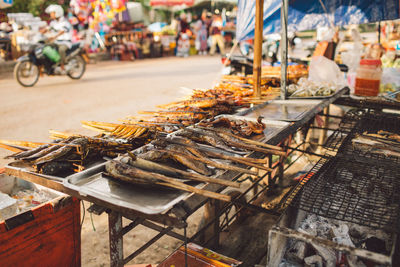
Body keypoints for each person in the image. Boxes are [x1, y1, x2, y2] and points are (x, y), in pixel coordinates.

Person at [44, 4, 73, 74]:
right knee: (45, 46)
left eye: (52, 13)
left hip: (65, 42)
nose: (51, 15)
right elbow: (47, 29)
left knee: (61, 50)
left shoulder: (65, 22)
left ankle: (64, 65)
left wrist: (54, 37)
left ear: (57, 13)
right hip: (56, 42)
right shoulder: (53, 23)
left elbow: (62, 31)